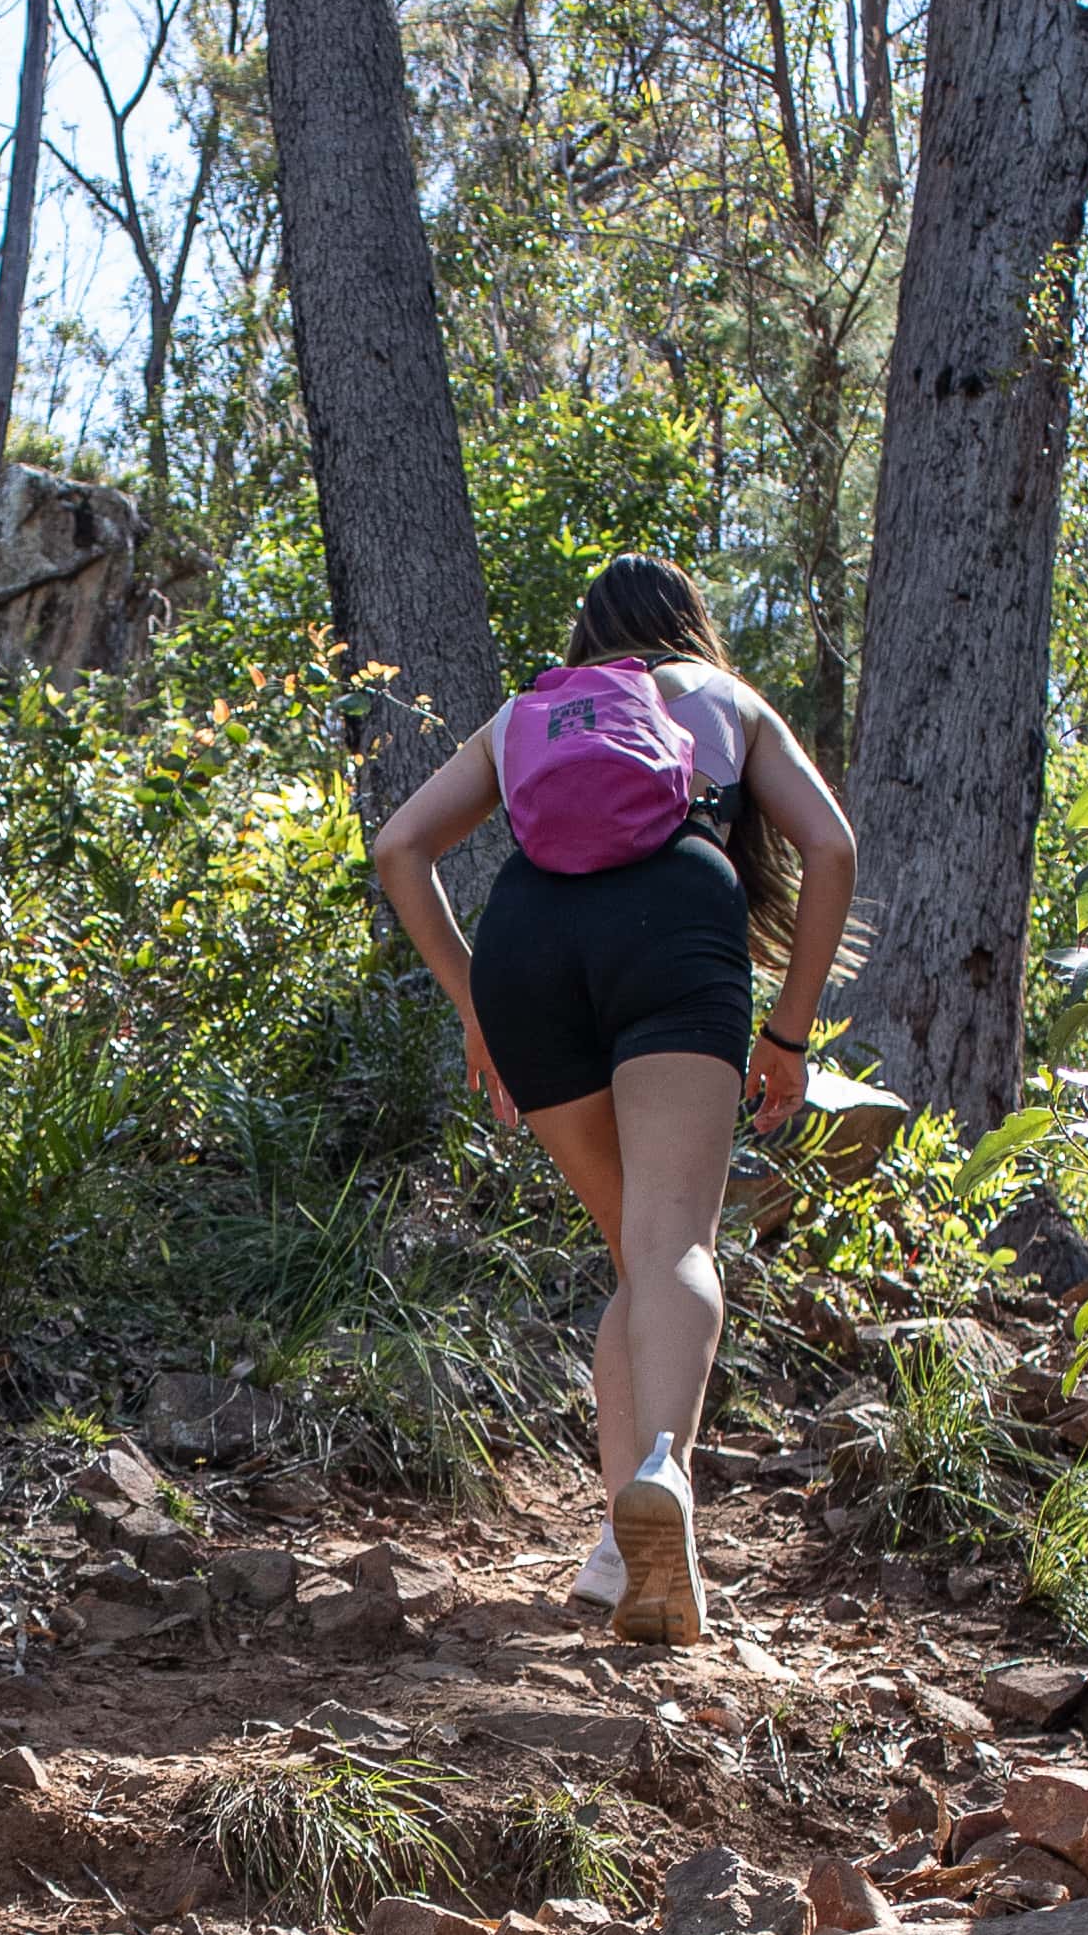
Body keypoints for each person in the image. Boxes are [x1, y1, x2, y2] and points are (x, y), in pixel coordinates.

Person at [367, 556, 858, 1648]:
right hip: (674, 925)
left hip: (526, 945)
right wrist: (788, 1029)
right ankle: (663, 1481)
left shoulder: (528, 712)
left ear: (589, 636)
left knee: (635, 1258)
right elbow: (830, 848)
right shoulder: (724, 701)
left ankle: (609, 1554)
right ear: (690, 626)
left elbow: (400, 846)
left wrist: (473, 1004)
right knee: (676, 1241)